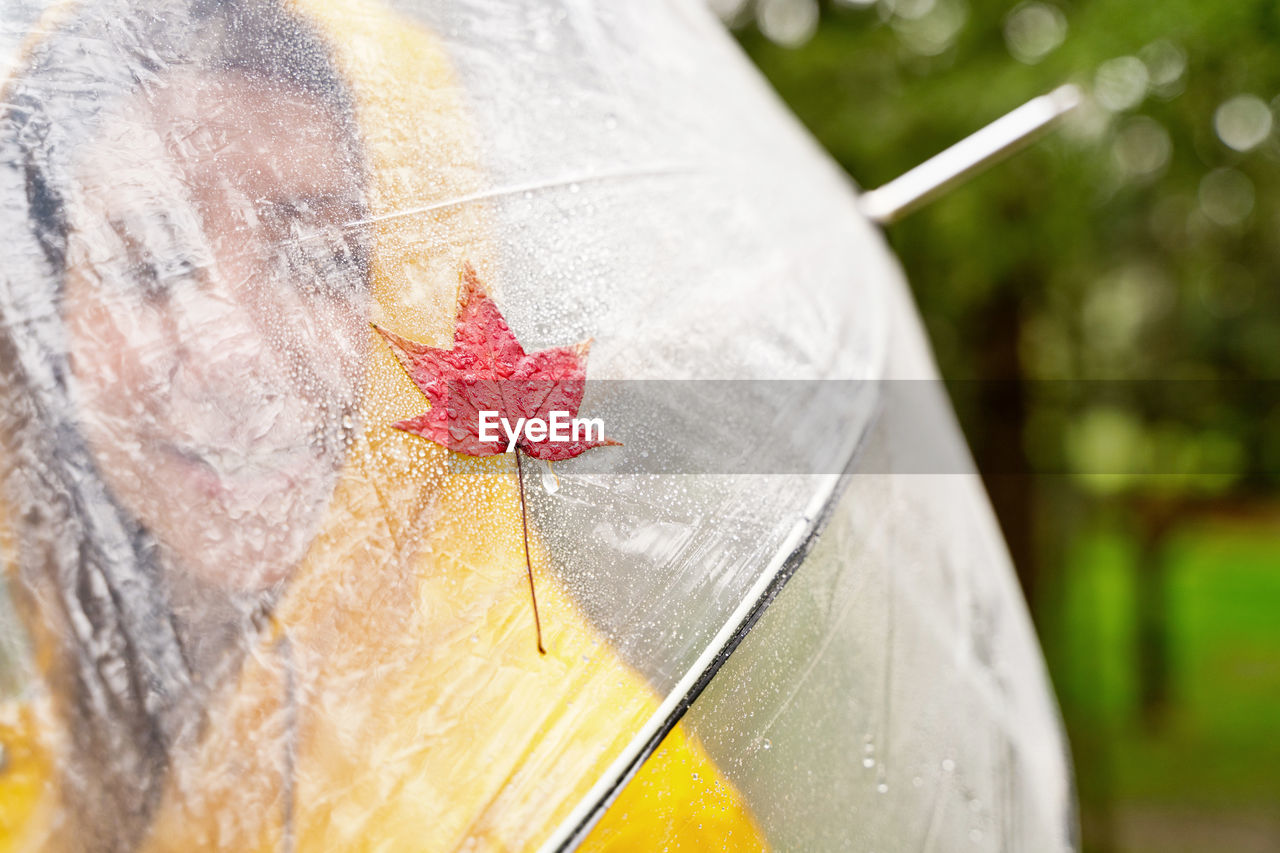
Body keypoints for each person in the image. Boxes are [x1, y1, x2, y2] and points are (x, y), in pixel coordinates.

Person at [0, 0, 765, 849]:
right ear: (37, 316)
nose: (234, 353)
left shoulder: (594, 803)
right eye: (145, 260)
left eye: (323, 258)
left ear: (425, 286)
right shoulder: (35, 770)